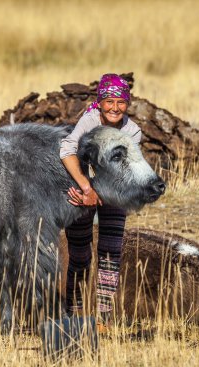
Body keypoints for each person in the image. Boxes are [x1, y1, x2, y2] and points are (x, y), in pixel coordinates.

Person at [60, 73, 142, 331]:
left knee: (110, 254)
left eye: (121, 102)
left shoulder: (132, 131)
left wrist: (98, 192)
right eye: (110, 101)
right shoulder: (89, 121)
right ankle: (74, 312)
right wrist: (86, 187)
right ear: (101, 102)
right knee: (80, 254)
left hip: (114, 192)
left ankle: (103, 318)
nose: (115, 108)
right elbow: (66, 150)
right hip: (81, 189)